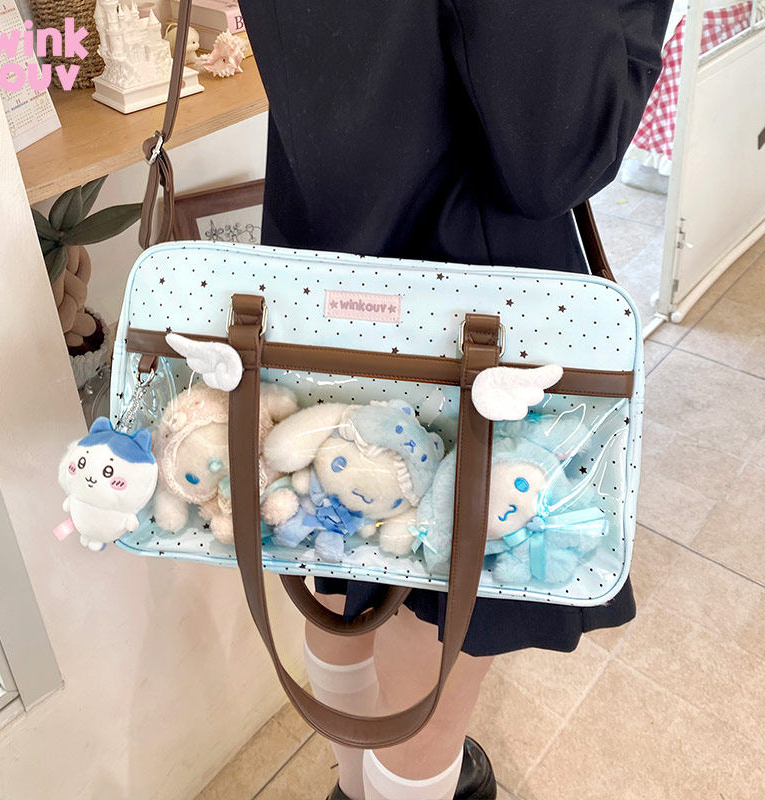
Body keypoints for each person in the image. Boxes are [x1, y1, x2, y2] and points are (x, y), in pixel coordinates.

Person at [237, 3, 673, 798]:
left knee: (336, 554)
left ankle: (352, 784)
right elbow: (554, 153)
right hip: (467, 298)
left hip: (319, 255)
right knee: (433, 628)